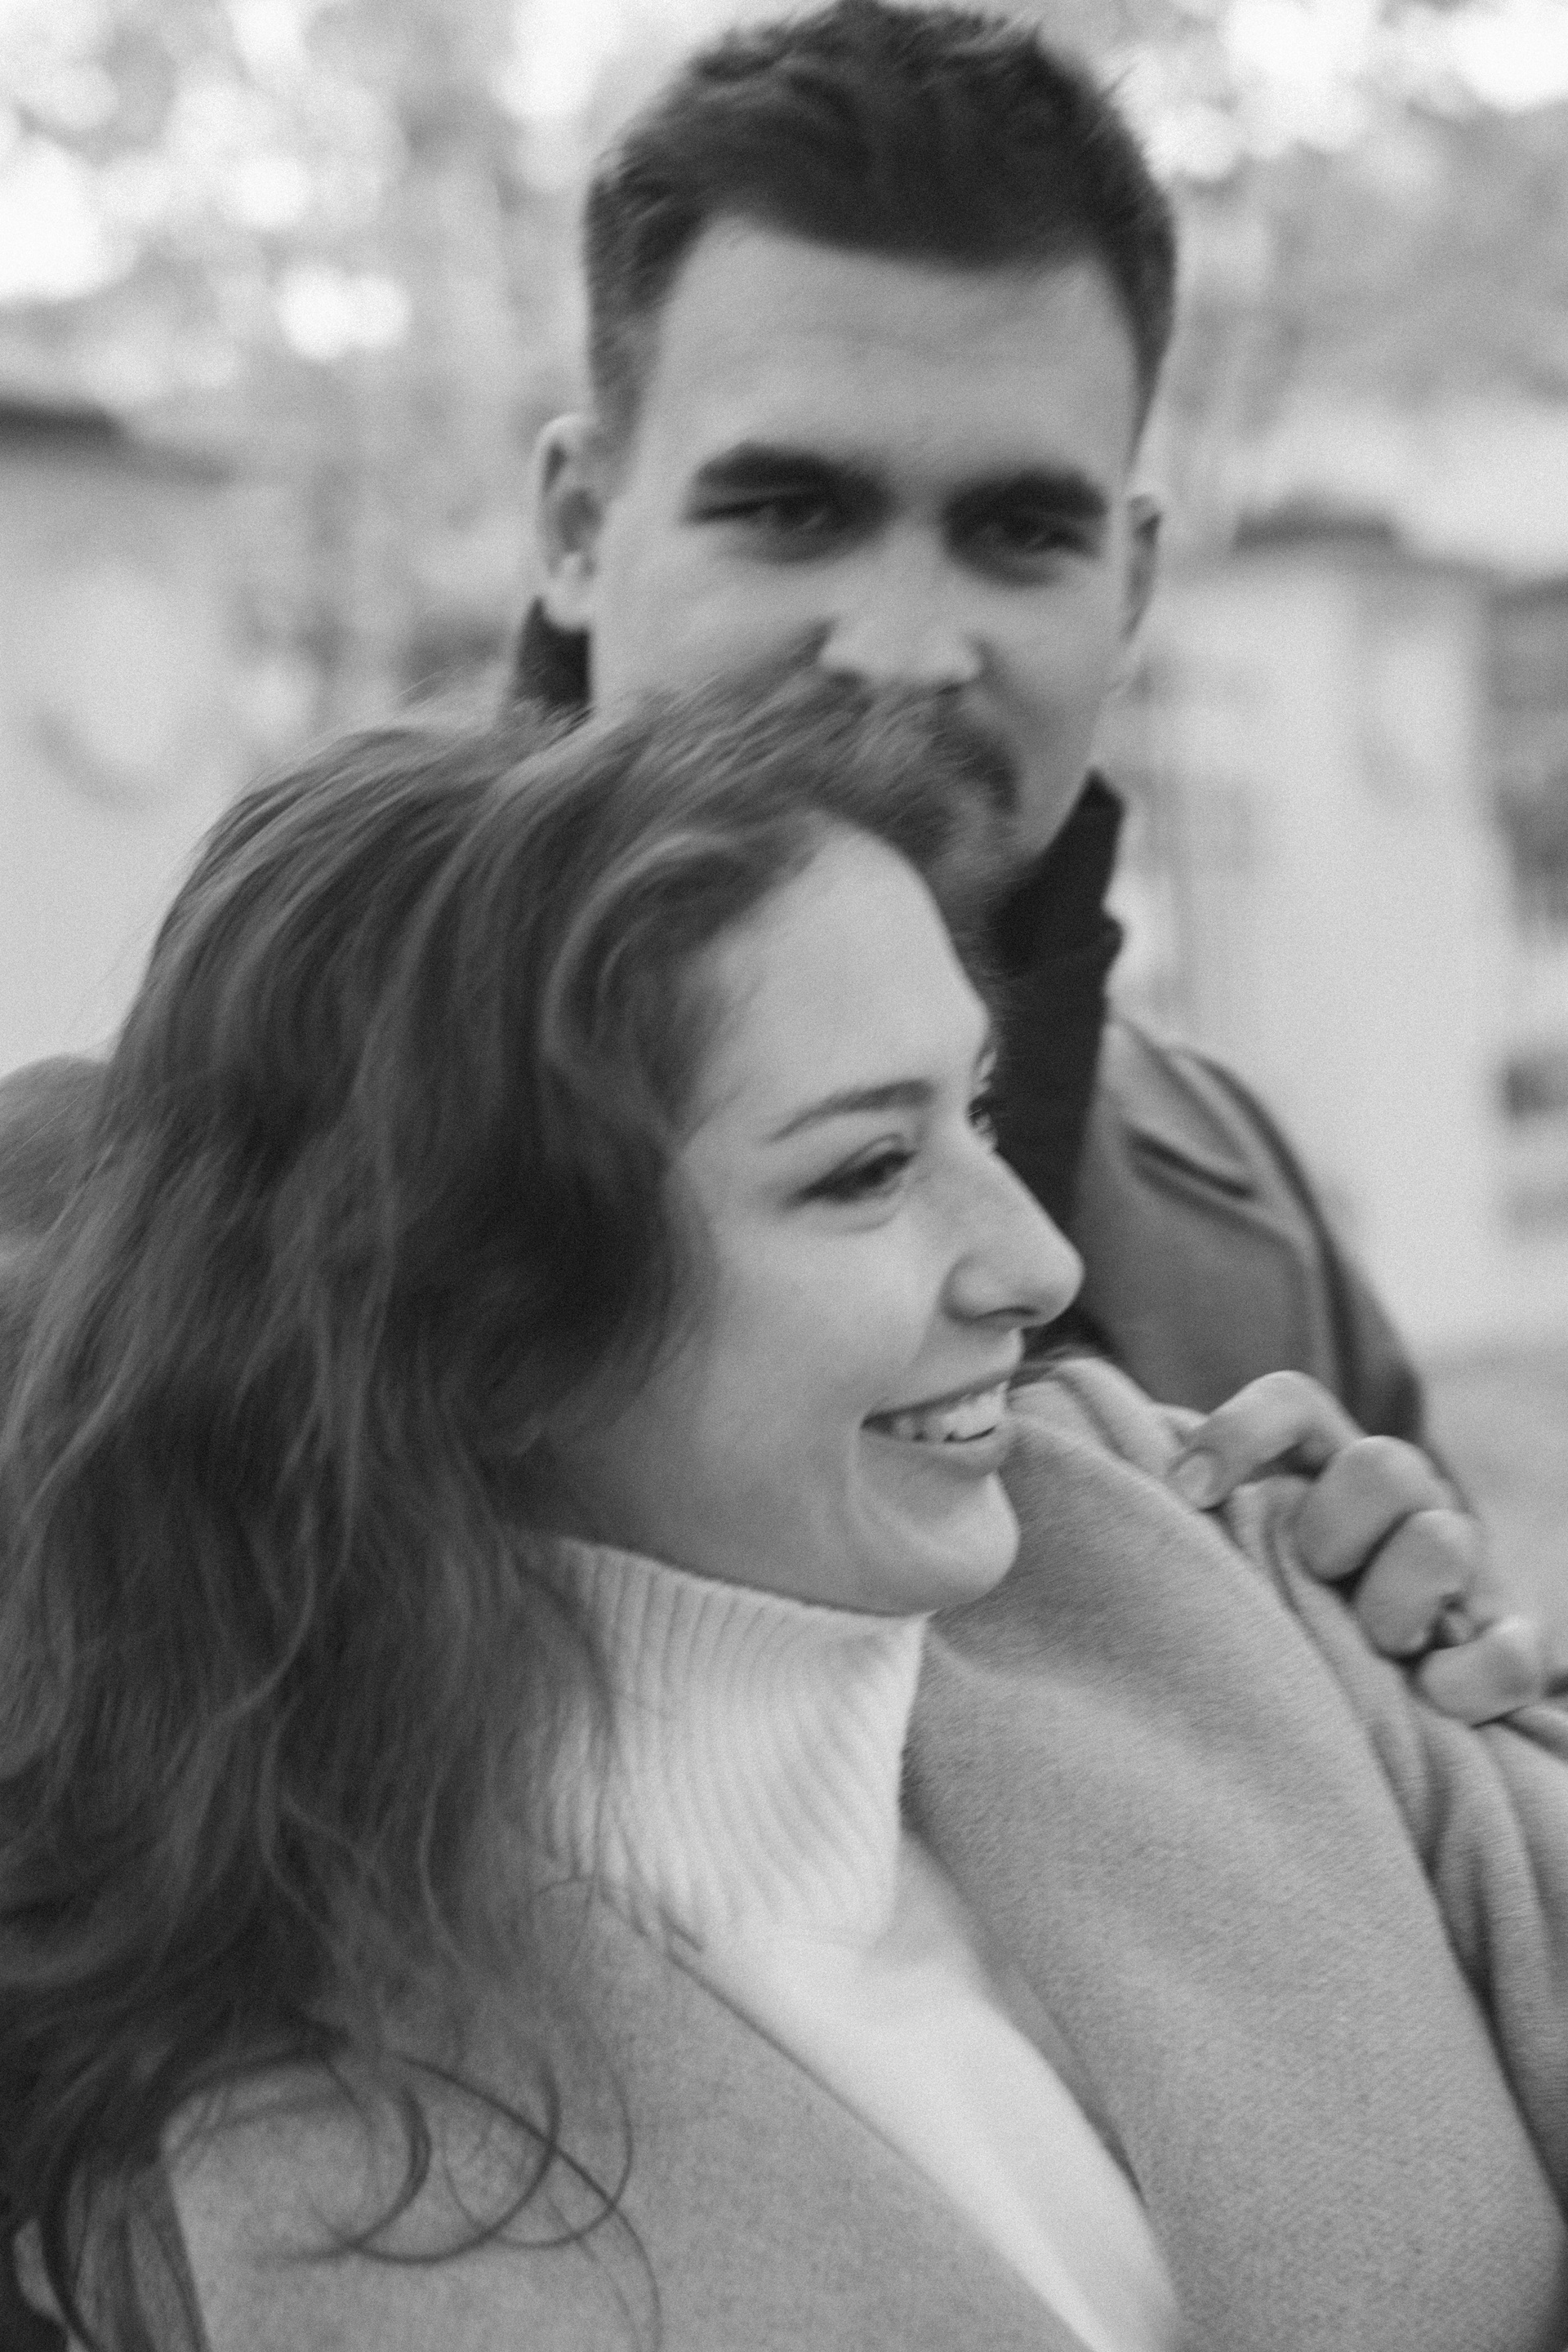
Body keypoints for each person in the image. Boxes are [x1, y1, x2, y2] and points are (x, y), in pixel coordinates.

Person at [0, 0, 1547, 1721]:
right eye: (794, 511)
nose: (901, 644)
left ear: (1132, 585)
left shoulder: (1237, 1232)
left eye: (1018, 532)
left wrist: (1429, 1703)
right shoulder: (111, 1241)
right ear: (578, 526)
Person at [6, 675, 1568, 2352]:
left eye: (976, 1110)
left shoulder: (1191, 1543)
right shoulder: (193, 2122)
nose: (1040, 1265)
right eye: (863, 1171)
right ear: (467, 1324)